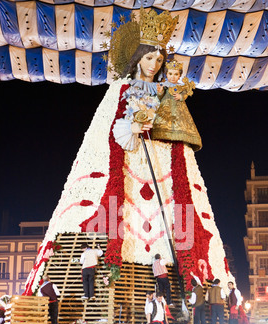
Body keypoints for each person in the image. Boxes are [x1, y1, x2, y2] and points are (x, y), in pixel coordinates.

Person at [24, 8, 235, 305]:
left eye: (159, 60)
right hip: (125, 164)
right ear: (137, 58)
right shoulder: (121, 88)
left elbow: (178, 129)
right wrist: (132, 126)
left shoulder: (166, 91)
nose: (154, 64)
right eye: (149, 58)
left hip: (162, 165)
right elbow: (109, 129)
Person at [152, 59, 202, 150]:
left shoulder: (181, 87)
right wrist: (159, 92)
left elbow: (185, 94)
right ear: (166, 74)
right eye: (170, 74)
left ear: (179, 76)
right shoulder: (164, 85)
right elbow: (160, 97)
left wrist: (181, 96)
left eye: (176, 74)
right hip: (165, 109)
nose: (173, 77)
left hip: (179, 111)